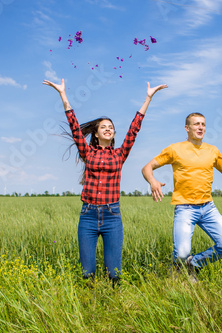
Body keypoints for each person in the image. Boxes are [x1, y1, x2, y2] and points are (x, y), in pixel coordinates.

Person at [43, 78, 167, 286]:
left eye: (111, 127)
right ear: (97, 133)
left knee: (114, 273)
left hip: (112, 216)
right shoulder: (87, 152)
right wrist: (63, 95)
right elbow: (75, 128)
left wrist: (148, 98)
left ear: (113, 134)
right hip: (88, 216)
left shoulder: (120, 154)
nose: (108, 129)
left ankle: (115, 306)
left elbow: (134, 130)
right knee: (87, 273)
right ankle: (89, 308)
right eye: (104, 127)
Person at [142, 113, 222, 280]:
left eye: (203, 124)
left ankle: (194, 264)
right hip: (185, 208)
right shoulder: (175, 149)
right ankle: (177, 274)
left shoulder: (212, 150)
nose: (200, 127)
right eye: (196, 124)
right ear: (187, 128)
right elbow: (147, 168)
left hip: (208, 208)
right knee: (181, 252)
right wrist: (153, 182)